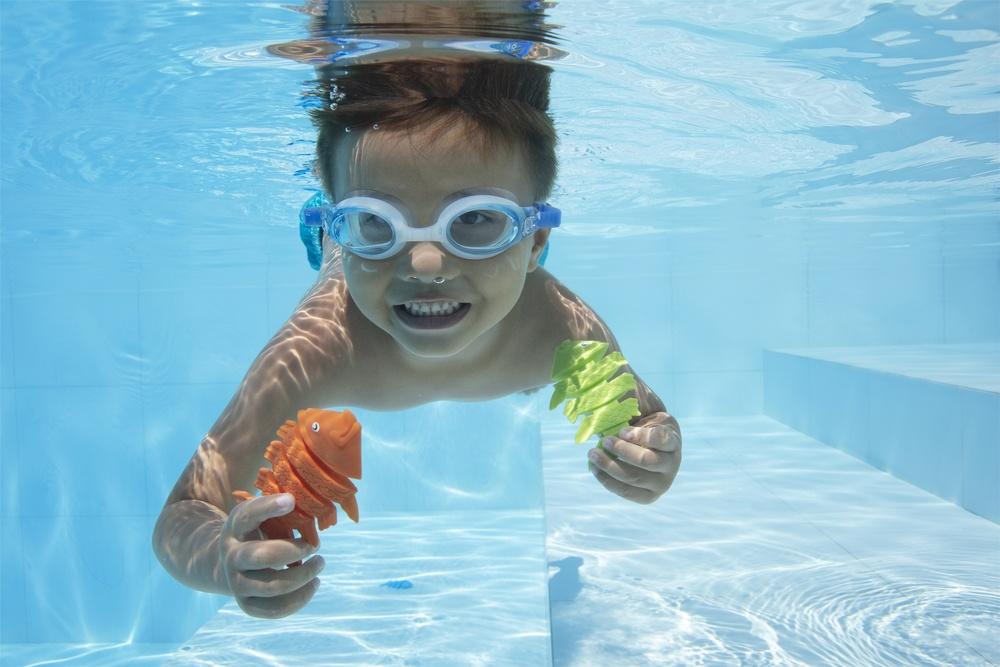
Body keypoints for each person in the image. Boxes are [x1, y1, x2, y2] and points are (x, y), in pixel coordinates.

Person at [152, 56, 681, 620]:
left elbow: (644, 423)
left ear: (535, 244)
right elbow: (185, 512)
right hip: (339, 263)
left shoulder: (560, 328)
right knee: (332, 250)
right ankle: (333, 229)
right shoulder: (317, 348)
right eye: (374, 222)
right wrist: (222, 559)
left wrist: (651, 456)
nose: (426, 264)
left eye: (476, 221)